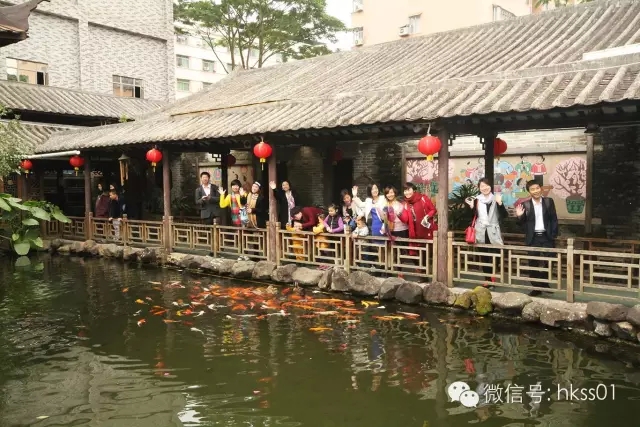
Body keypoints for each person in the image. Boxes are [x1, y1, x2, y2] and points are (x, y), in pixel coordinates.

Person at [515, 180, 559, 296]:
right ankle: (536, 287)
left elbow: (554, 219)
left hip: (546, 236)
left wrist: (553, 234)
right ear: (529, 192)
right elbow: (521, 224)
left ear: (541, 188)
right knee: (533, 262)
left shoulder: (549, 202)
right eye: (532, 189)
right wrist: (519, 216)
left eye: (537, 188)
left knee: (550, 261)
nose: (535, 191)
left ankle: (544, 283)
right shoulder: (526, 204)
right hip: (533, 237)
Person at [465, 178, 508, 285]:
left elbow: (504, 215)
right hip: (481, 231)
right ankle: (487, 279)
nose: (484, 188)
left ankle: (493, 274)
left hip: (493, 231)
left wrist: (500, 203)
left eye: (486, 185)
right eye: (482, 186)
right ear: (479, 188)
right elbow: (471, 217)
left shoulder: (496, 198)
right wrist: (471, 207)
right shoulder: (476, 200)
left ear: (490, 186)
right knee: (483, 255)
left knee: (496, 254)